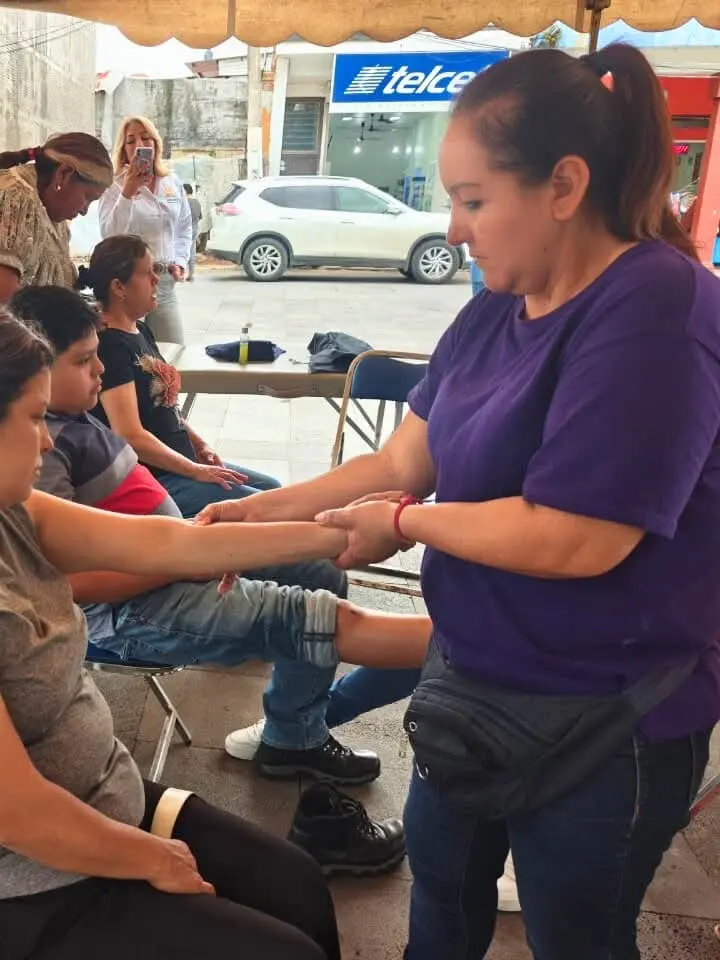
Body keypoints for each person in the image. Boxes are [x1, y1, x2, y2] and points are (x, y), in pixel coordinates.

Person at [198, 44, 719, 960]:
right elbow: (409, 454)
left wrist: (402, 525)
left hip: (604, 718)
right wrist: (265, 512)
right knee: (438, 901)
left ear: (564, 184)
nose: (455, 228)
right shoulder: (494, 310)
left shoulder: (657, 310)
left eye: (474, 200)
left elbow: (578, 538)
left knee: (578, 940)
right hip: (472, 685)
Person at [0, 300, 353, 959]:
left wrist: (340, 533)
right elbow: (12, 812)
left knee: (295, 884)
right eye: (36, 417)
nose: (48, 440)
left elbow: (168, 546)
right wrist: (154, 860)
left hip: (95, 805)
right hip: (4, 892)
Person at [9, 285, 426, 864]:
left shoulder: (72, 418)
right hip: (134, 608)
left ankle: (293, 734)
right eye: (84, 360)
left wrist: (341, 527)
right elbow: (65, 588)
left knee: (318, 570)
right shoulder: (40, 450)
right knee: (311, 615)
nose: (101, 369)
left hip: (175, 564)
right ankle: (462, 650)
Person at [81, 234, 281, 518]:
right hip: (156, 477)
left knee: (274, 490)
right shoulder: (111, 346)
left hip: (180, 464)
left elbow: (164, 408)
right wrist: (195, 470)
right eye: (147, 273)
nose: (156, 280)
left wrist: (199, 445)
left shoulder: (140, 331)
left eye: (156, 272)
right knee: (267, 508)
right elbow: (130, 434)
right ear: (118, 287)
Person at [0, 132, 112, 306]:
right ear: (63, 174)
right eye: (88, 197)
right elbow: (1, 297)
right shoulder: (12, 196)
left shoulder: (51, 213)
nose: (84, 211)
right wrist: (75, 317)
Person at [98, 116, 192, 343]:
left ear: (155, 144)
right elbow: (109, 236)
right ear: (124, 149)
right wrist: (128, 192)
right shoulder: (113, 185)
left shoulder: (171, 182)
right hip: (128, 286)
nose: (139, 144)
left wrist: (180, 260)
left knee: (173, 353)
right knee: (134, 356)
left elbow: (184, 226)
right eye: (131, 141)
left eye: (145, 137)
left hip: (164, 282)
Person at [185, 184, 202, 281]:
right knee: (192, 251)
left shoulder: (185, 202)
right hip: (195, 229)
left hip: (186, 230)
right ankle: (191, 275)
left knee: (184, 251)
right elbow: (200, 217)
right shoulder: (197, 202)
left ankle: (181, 272)